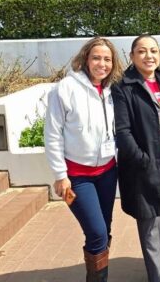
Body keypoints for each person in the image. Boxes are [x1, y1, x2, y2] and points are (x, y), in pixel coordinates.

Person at [44, 36, 124, 282]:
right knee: (97, 232)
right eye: (96, 58)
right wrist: (61, 176)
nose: (102, 63)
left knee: (104, 229)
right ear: (86, 59)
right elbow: (52, 134)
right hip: (78, 178)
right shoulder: (65, 88)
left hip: (108, 173)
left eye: (107, 59)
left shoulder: (111, 89)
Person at [112, 34, 160, 282]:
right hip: (144, 166)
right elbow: (122, 131)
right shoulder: (124, 87)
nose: (149, 56)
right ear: (131, 56)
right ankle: (158, 278)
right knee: (150, 225)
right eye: (142, 51)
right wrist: (143, 160)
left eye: (153, 51)